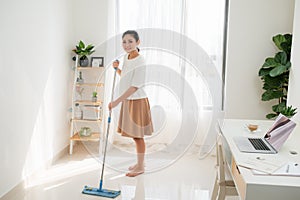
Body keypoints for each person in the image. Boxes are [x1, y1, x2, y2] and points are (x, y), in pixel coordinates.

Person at [108, 30, 153, 177]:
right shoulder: (127, 57)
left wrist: (116, 102)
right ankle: (140, 162)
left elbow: (134, 86)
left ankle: (140, 167)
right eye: (124, 42)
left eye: (130, 42)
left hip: (137, 101)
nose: (126, 45)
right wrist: (117, 69)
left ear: (138, 42)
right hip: (128, 100)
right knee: (135, 136)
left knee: (137, 136)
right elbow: (127, 77)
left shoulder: (141, 61)